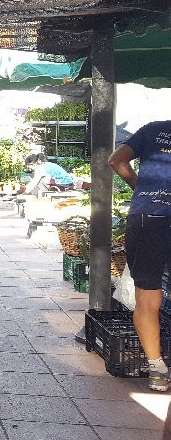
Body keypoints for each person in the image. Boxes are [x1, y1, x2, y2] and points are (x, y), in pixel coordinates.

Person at [109, 120, 171, 391]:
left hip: (149, 216)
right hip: (151, 218)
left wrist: (138, 185)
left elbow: (117, 161)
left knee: (148, 294)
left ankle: (157, 368)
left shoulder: (154, 129)